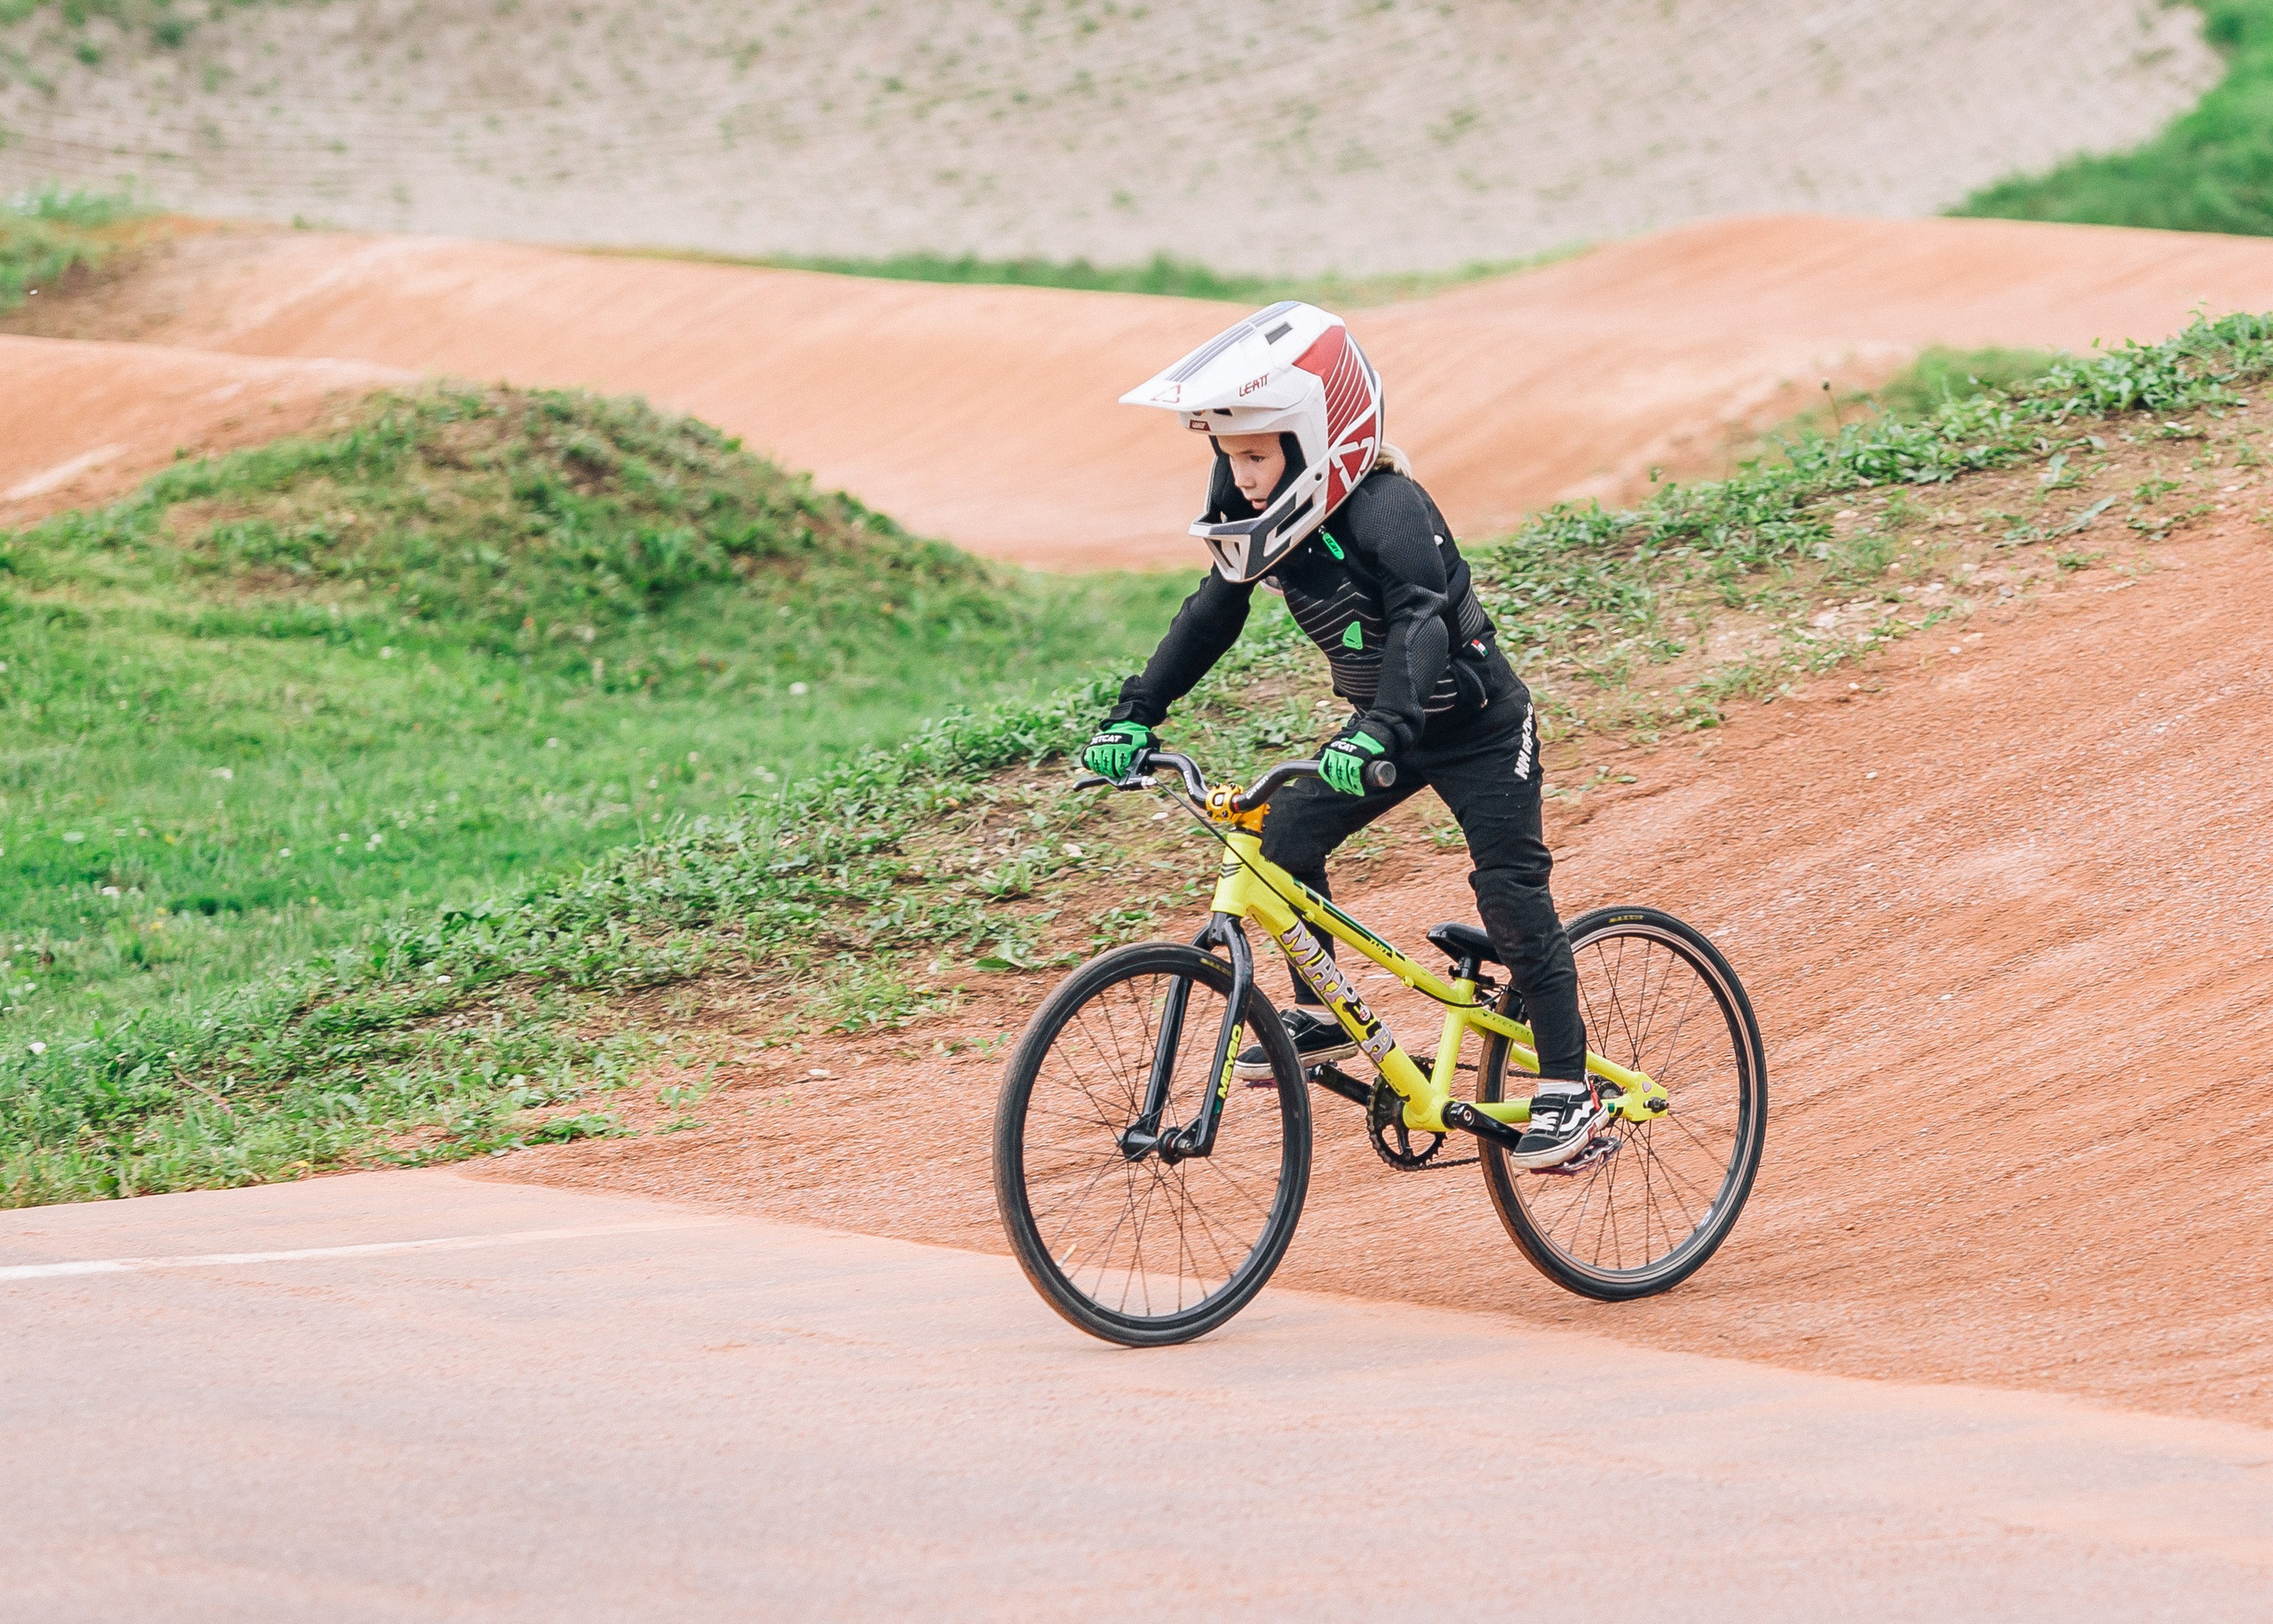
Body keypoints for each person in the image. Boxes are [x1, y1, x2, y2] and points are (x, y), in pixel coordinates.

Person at [1081, 301, 1597, 1170]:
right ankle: (1318, 1024)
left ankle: (1568, 1090)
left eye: (1256, 451)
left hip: (1475, 728)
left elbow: (1422, 620)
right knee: (1283, 836)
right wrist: (1137, 710)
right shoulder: (1259, 511)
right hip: (1382, 727)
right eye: (1228, 454)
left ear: (1318, 433)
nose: (1240, 474)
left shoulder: (1385, 505)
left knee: (1508, 893)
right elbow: (1212, 614)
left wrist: (1381, 727)